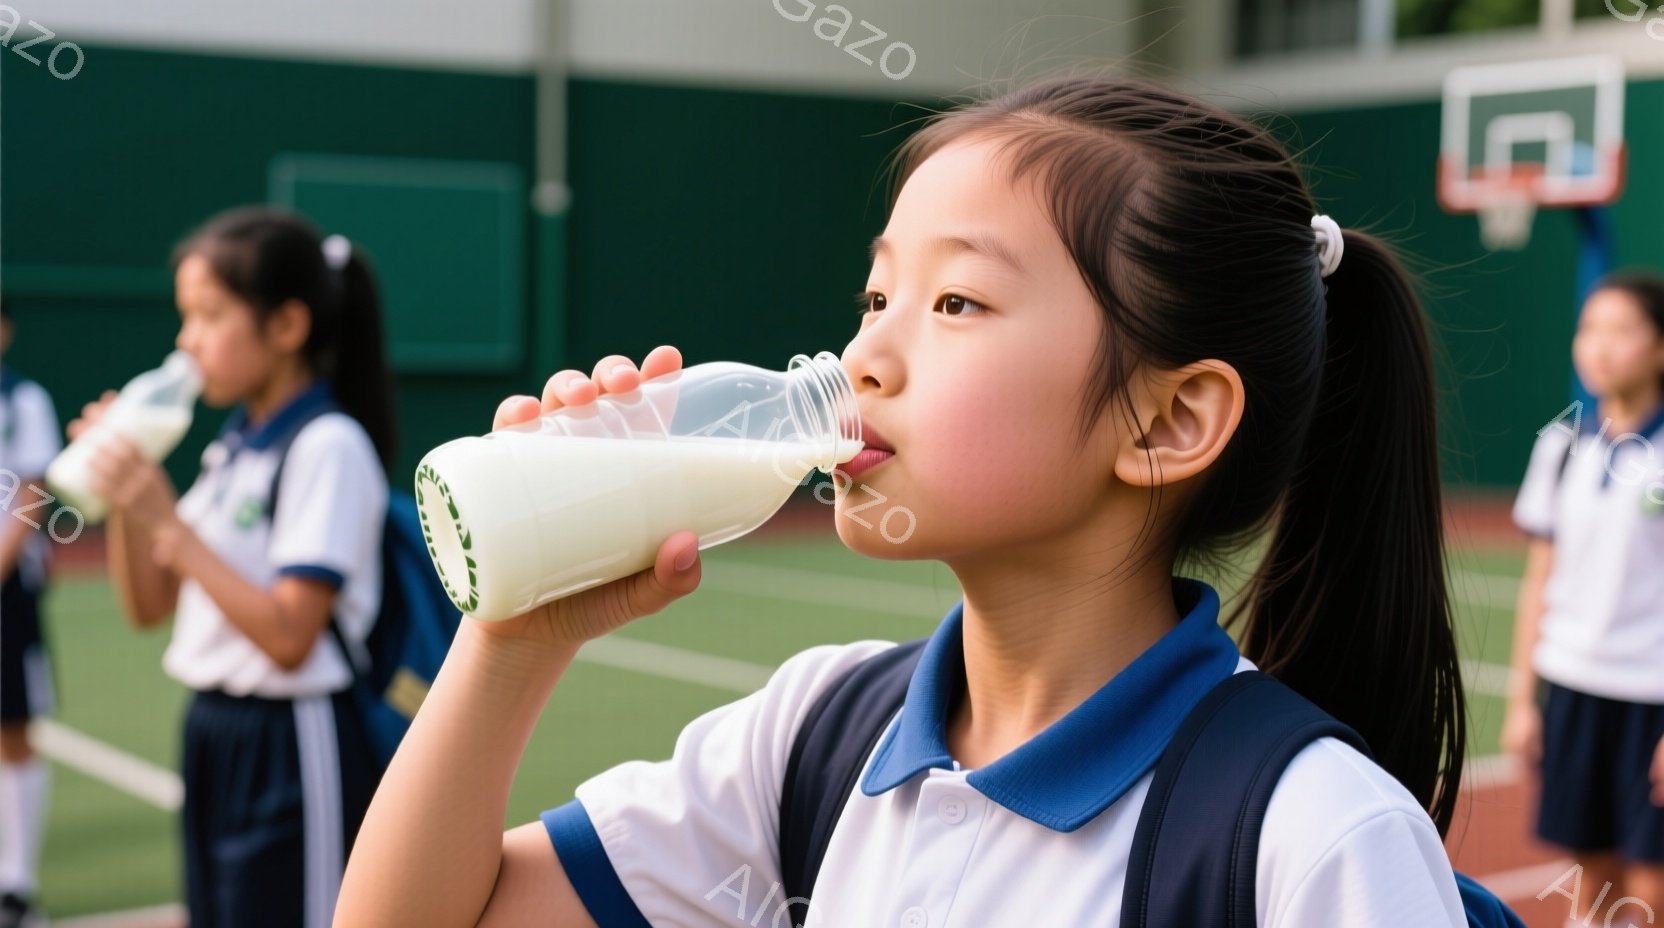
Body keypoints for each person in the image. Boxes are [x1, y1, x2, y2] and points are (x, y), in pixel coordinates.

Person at [338, 78, 1472, 926]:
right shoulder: (815, 734)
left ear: (1166, 421)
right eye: (875, 291)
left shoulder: (1310, 837)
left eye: (958, 301)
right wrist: (513, 643)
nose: (865, 351)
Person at [68, 208, 395, 928]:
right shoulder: (234, 448)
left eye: (210, 315)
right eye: (186, 316)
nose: (188, 340)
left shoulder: (327, 445)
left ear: (285, 327)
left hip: (294, 735)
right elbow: (148, 605)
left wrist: (169, 523)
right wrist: (129, 493)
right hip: (215, 728)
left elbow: (290, 637)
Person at [1504, 269, 1664, 918]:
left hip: (1651, 699)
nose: (1599, 345)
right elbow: (1539, 578)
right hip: (1572, 687)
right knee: (1588, 877)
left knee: (1651, 886)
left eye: (1621, 329)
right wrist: (1522, 700)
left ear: (1658, 348)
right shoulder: (1561, 444)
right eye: (1588, 328)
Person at [0, 296, 62, 928]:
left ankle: (15, 884)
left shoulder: (23, 400)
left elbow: (33, 494)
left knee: (12, 727)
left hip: (8, 592)